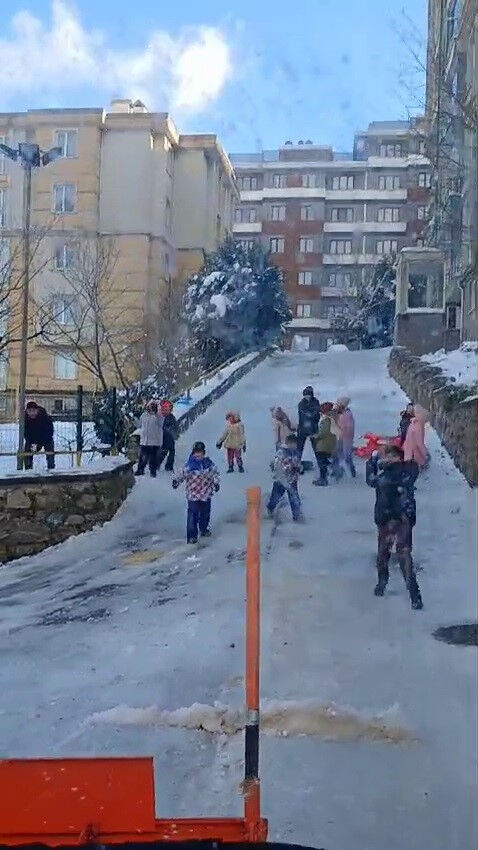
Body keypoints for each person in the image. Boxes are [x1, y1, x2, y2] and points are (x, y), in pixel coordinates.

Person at [366, 444, 423, 610]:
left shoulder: (399, 473)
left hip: (399, 518)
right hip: (390, 518)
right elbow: (372, 481)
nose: (388, 459)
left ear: (399, 458)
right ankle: (384, 583)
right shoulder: (399, 472)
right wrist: (373, 463)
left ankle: (412, 594)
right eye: (387, 456)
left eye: (392, 456)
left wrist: (373, 463)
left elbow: (372, 480)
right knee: (386, 554)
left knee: (400, 554)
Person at [172, 441, 220, 544]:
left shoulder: (208, 464)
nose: (198, 455)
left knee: (205, 513)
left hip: (206, 494)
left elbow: (215, 473)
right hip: (193, 495)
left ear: (204, 453)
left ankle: (203, 529)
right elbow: (182, 474)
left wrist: (216, 483)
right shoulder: (190, 466)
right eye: (196, 452)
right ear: (193, 453)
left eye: (200, 452)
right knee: (192, 515)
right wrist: (176, 481)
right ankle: (192, 535)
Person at [267, 433, 303, 522]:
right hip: (281, 480)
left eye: (294, 444)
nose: (292, 446)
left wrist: (299, 468)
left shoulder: (296, 453)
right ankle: (270, 507)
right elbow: (277, 465)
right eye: (291, 444)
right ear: (287, 443)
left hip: (292, 480)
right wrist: (289, 467)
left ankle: (296, 515)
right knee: (275, 497)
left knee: (294, 497)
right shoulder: (281, 453)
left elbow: (298, 464)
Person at [24, 401, 55, 470]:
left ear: (37, 410)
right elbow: (26, 433)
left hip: (46, 439)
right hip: (34, 441)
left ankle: (51, 468)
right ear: (27, 411)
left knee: (50, 451)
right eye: (29, 411)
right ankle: (28, 468)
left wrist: (43, 440)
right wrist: (32, 443)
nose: (32, 413)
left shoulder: (44, 417)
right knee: (28, 452)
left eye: (34, 411)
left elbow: (50, 431)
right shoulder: (25, 419)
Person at [312, 402, 338, 486]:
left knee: (321, 462)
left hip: (324, 444)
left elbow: (324, 432)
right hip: (331, 443)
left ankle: (323, 479)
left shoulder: (327, 420)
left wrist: (315, 436)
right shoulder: (334, 418)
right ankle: (333, 469)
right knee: (325, 460)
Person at [136, 400, 163, 477]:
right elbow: (139, 425)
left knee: (153, 459)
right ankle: (140, 470)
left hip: (155, 442)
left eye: (152, 406)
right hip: (144, 441)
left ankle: (153, 472)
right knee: (142, 457)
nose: (150, 408)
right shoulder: (144, 415)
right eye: (149, 406)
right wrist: (133, 419)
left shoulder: (159, 416)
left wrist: (157, 412)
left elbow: (161, 424)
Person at [297, 386, 321, 470]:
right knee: (299, 448)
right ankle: (296, 463)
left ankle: (321, 464)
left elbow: (316, 414)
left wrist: (311, 415)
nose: (306, 396)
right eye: (305, 395)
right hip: (302, 429)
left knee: (317, 448)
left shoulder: (316, 402)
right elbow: (304, 416)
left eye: (308, 395)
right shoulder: (301, 403)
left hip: (313, 429)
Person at [334, 396, 356, 479]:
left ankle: (349, 469)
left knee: (346, 454)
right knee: (339, 453)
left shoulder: (347, 414)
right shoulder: (340, 413)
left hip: (346, 437)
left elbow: (349, 427)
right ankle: (339, 470)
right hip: (340, 436)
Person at [403, 404, 429, 469]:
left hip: (409, 450)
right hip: (414, 453)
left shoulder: (413, 422)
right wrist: (425, 454)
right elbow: (419, 444)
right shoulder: (418, 427)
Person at [158, 399, 178, 471]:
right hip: (163, 438)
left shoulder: (171, 418)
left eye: (167, 410)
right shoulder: (159, 418)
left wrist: (173, 434)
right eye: (163, 409)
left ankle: (168, 466)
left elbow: (174, 428)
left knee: (171, 452)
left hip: (169, 438)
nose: (164, 411)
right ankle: (158, 464)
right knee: (164, 452)